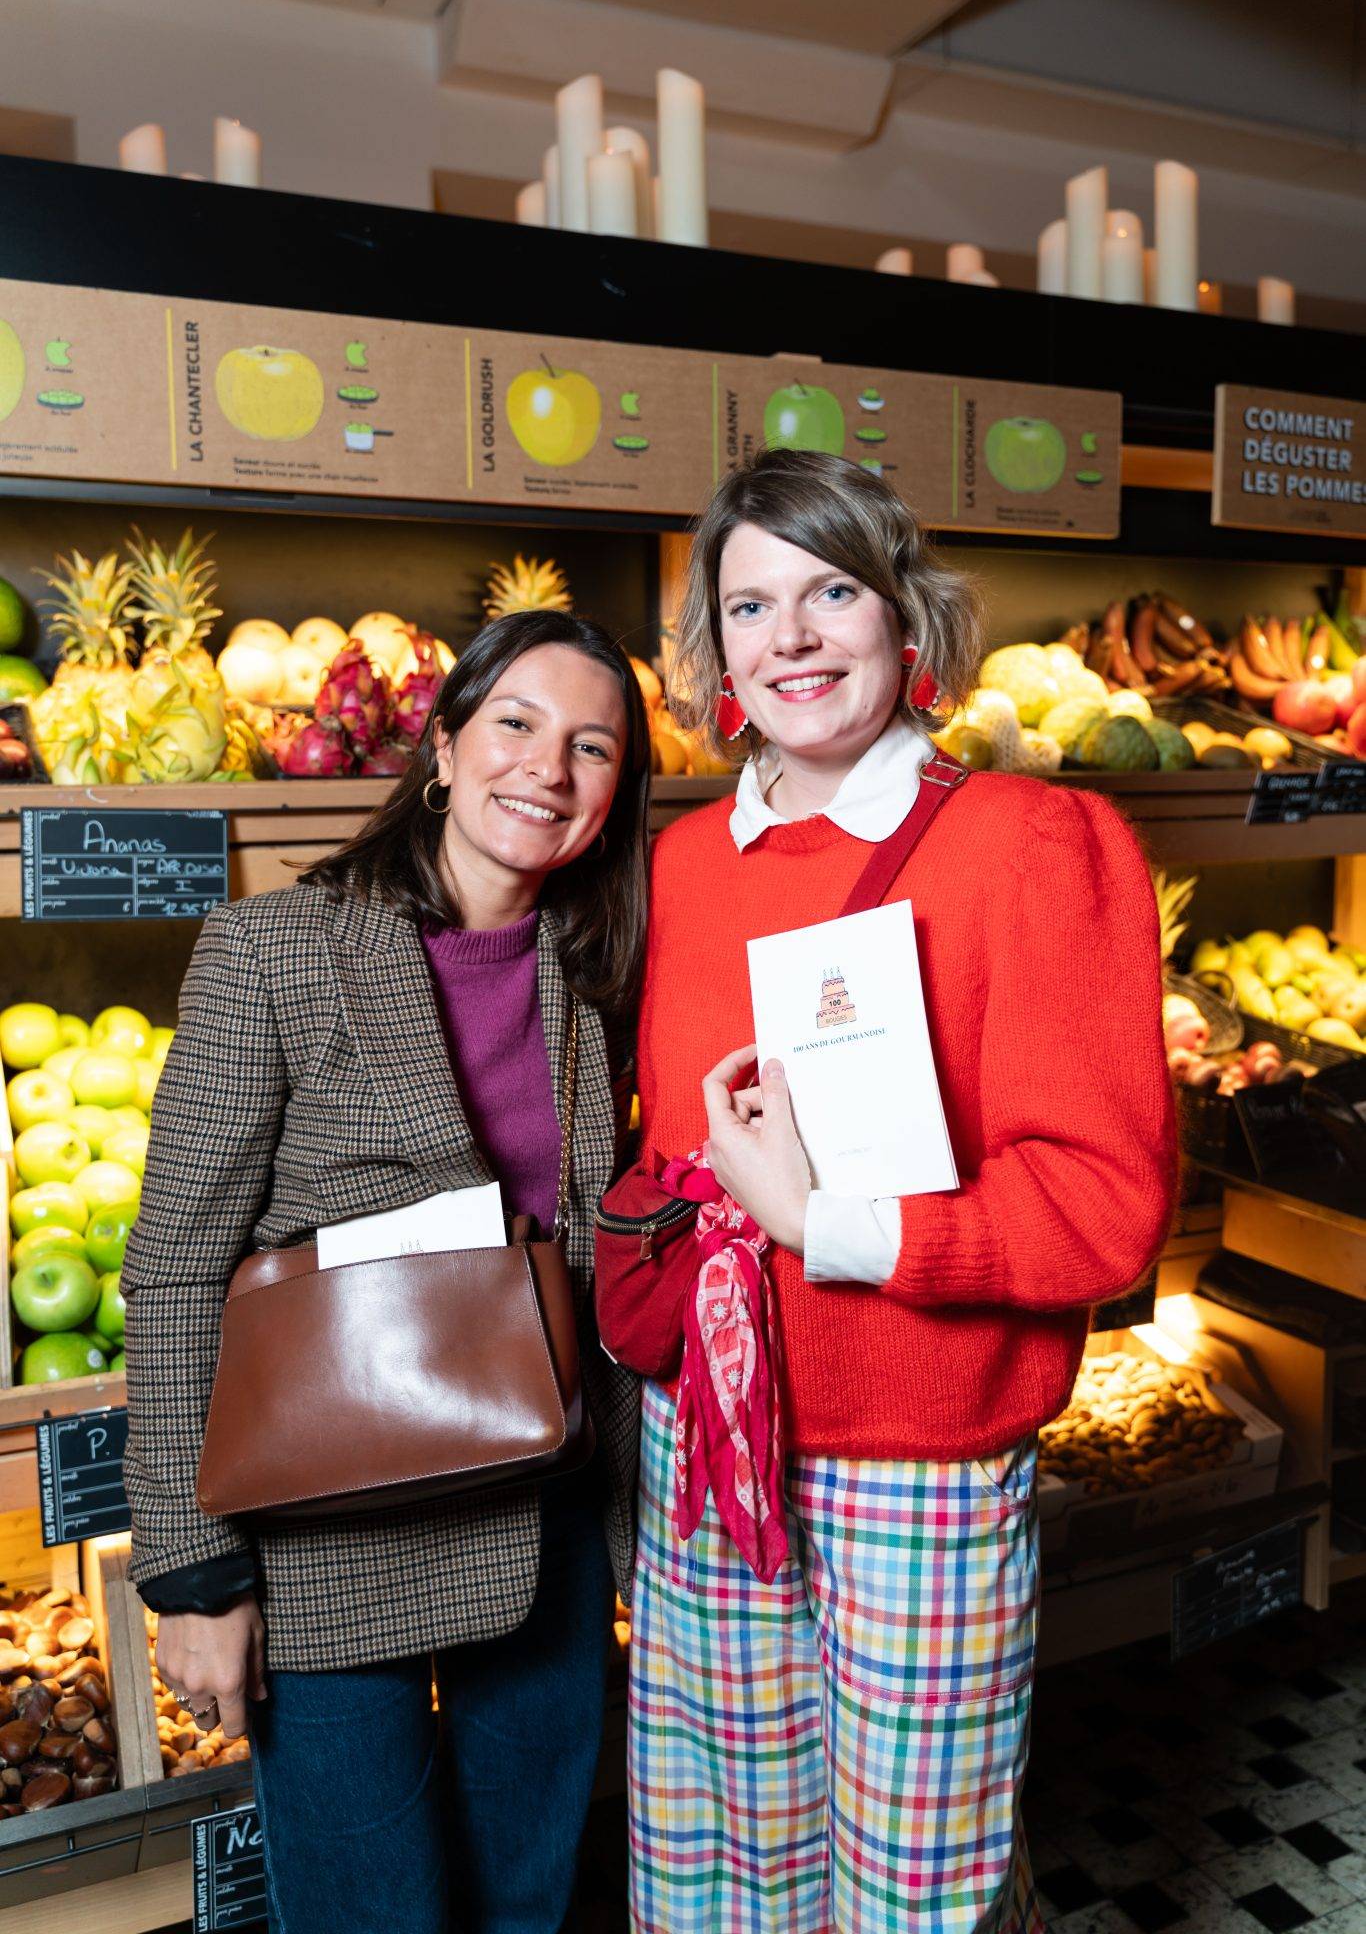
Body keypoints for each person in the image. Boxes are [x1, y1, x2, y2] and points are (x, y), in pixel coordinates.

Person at [628, 448, 1177, 1933]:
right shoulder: (681, 865)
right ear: (714, 649)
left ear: (905, 616)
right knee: (721, 1878)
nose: (791, 639)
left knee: (912, 1897)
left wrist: (828, 1225)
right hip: (709, 1444)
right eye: (750, 607)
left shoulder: (1033, 846)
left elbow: (1103, 1208)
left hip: (915, 1463)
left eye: (832, 593)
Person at [122, 611, 651, 1934]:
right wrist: (191, 1573)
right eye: (516, 724)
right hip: (330, 1539)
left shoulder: (600, 971)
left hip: (545, 1517)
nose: (547, 769)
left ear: (615, 794)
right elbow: (177, 1266)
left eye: (592, 747)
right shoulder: (275, 952)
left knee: (527, 1901)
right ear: (446, 745)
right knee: (369, 1911)